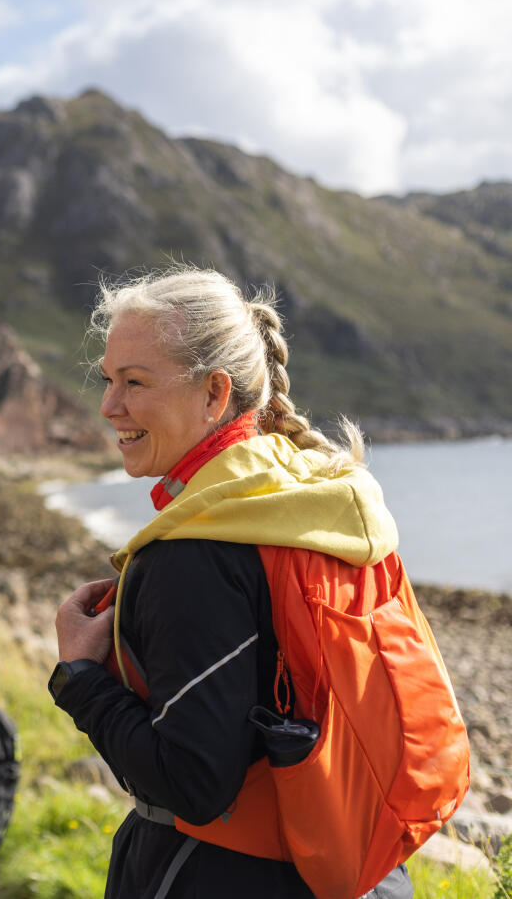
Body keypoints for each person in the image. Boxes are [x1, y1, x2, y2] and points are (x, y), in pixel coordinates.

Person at [50, 268, 413, 898]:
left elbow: (192, 783)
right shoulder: (320, 499)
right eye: (108, 380)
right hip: (354, 867)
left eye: (134, 383)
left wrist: (81, 678)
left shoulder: (193, 555)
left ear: (215, 395)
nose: (109, 406)